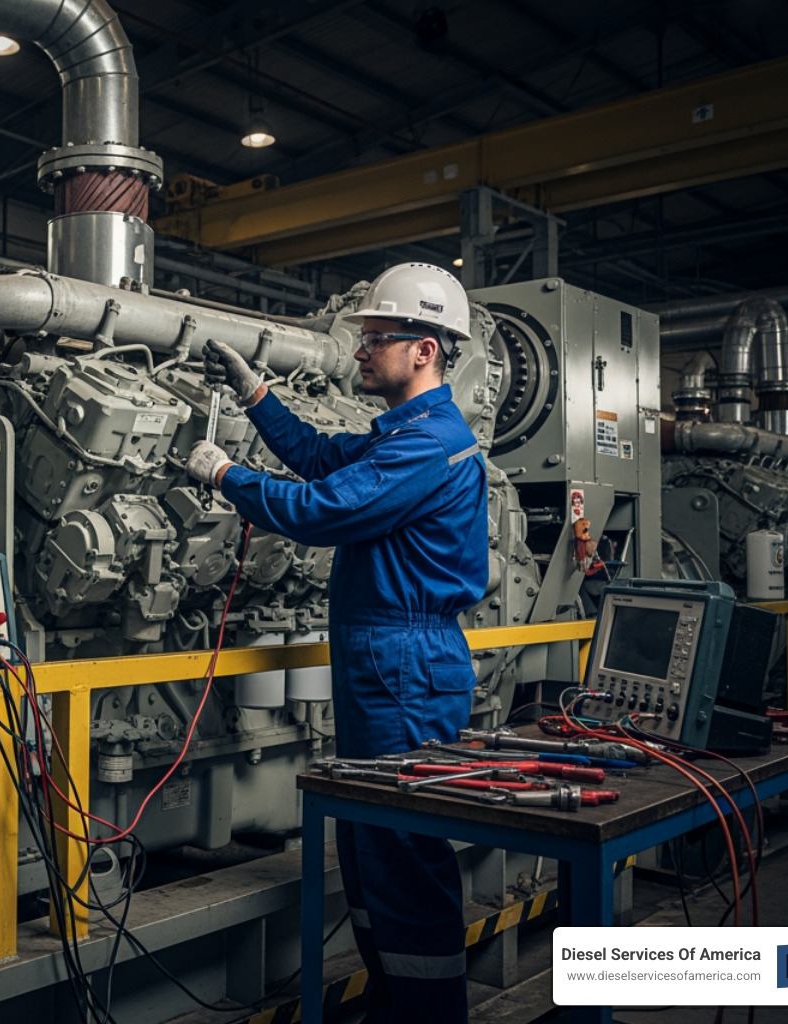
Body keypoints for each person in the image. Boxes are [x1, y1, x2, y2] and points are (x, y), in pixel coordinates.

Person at [186, 262, 488, 1024]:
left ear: (424, 350)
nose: (358, 351)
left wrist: (224, 474)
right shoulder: (405, 435)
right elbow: (323, 461)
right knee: (368, 852)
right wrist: (258, 397)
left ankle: (428, 1015)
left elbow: (321, 510)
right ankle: (396, 1004)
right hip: (380, 666)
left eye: (376, 338)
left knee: (402, 859)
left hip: (405, 670)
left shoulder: (430, 445)